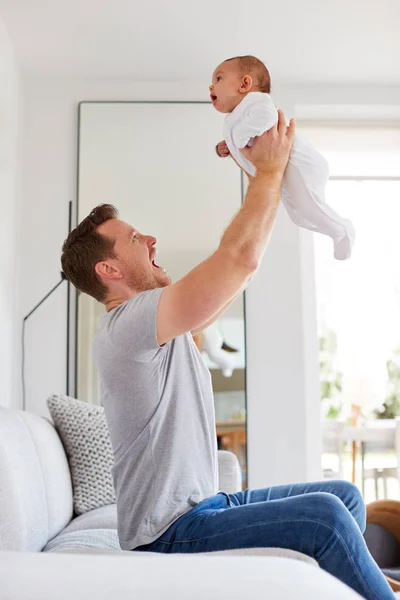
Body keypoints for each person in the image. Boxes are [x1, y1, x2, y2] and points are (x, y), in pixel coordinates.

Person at [61, 112, 393, 599]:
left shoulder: (159, 326)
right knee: (325, 517)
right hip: (166, 534)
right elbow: (239, 259)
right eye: (135, 238)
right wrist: (267, 173)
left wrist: (268, 176)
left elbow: (239, 271)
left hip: (207, 504)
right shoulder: (126, 326)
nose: (151, 239)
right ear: (108, 268)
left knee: (343, 495)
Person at [211, 55, 355, 261]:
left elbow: (266, 118)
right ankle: (335, 232)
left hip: (300, 164)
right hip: (286, 171)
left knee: (308, 207)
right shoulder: (237, 116)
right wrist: (224, 147)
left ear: (245, 83)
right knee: (299, 217)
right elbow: (242, 140)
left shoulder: (257, 102)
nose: (211, 86)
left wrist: (239, 139)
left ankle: (344, 229)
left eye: (219, 79)